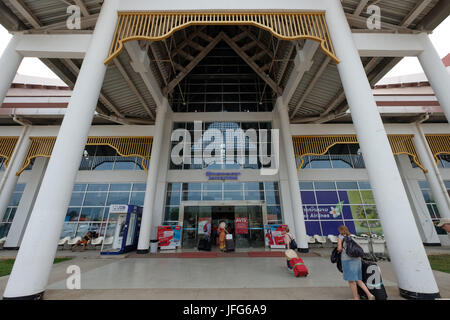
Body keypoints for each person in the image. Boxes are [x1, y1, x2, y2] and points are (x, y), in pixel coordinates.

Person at [337, 225, 375, 300]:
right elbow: (359, 246)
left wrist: (338, 251)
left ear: (340, 230)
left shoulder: (340, 237)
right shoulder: (350, 237)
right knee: (358, 279)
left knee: (351, 281)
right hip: (357, 260)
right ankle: (369, 295)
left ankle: (356, 298)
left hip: (347, 260)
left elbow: (339, 248)